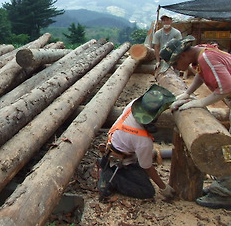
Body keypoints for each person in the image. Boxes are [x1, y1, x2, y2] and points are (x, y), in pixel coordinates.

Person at [160, 35, 231, 209]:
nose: (177, 68)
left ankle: (225, 194)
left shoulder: (206, 57)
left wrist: (199, 103)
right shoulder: (201, 53)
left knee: (229, 150)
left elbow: (226, 87)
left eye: (176, 65)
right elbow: (201, 73)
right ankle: (223, 186)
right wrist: (187, 93)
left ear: (182, 55)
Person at [97, 84, 176, 200]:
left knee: (141, 171)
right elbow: (147, 166)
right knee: (147, 191)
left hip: (114, 148)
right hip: (120, 161)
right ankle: (112, 178)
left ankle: (105, 166)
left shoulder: (133, 104)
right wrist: (163, 188)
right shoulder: (143, 140)